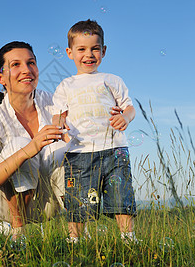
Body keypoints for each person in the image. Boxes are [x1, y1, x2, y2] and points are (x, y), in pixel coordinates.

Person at [52, 19, 138, 243]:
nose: (88, 54)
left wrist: (125, 117)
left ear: (103, 51)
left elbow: (129, 107)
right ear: (70, 52)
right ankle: (75, 240)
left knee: (121, 195)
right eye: (81, 49)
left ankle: (128, 238)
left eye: (94, 49)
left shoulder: (111, 80)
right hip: (79, 151)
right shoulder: (66, 85)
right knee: (78, 200)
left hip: (114, 149)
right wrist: (60, 125)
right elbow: (59, 114)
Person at [0, 41, 66, 242]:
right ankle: (18, 233)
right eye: (16, 65)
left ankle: (79, 230)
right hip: (6, 204)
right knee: (20, 144)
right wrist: (30, 148)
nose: (27, 70)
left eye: (31, 62)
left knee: (66, 148)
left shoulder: (54, 103)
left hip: (49, 200)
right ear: (1, 78)